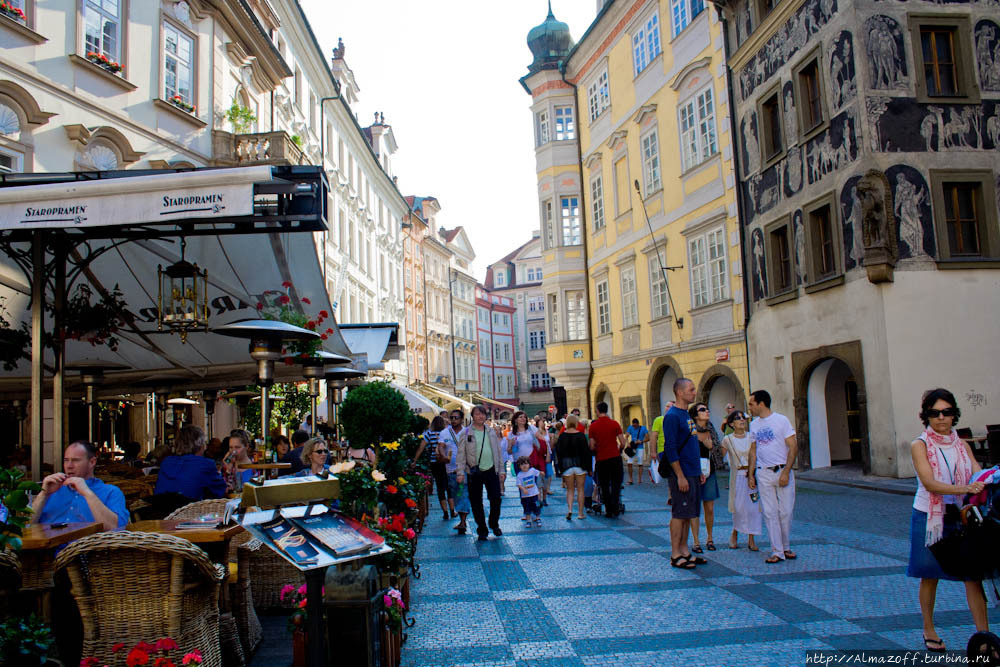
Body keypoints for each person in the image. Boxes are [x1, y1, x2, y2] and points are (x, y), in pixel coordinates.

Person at [907, 388, 987, 652]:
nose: (941, 418)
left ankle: (984, 637)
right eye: (934, 413)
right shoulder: (920, 445)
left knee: (973, 576)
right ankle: (928, 629)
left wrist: (986, 479)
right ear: (926, 417)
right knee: (930, 575)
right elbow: (930, 483)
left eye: (947, 412)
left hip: (961, 516)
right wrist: (966, 489)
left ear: (954, 414)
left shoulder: (962, 445)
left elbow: (978, 475)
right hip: (930, 517)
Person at [747, 389, 798, 564]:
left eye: (751, 404)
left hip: (782, 470)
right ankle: (777, 551)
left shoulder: (781, 421)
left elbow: (793, 447)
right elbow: (753, 451)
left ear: (761, 403)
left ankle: (785, 546)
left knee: (785, 512)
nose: (750, 408)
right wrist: (751, 473)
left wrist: (786, 472)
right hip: (764, 472)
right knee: (770, 513)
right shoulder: (753, 424)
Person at [32, 441, 129, 531]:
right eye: (66, 460)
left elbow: (115, 529)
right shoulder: (53, 490)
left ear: (92, 462)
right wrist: (44, 494)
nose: (69, 466)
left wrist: (87, 493)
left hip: (85, 548)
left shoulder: (110, 492)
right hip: (44, 547)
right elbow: (26, 525)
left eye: (75, 460)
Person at [660, 379, 706, 569]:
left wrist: (698, 471)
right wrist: (680, 475)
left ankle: (685, 550)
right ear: (679, 392)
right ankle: (675, 553)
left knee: (688, 514)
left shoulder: (685, 414)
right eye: (691, 389)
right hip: (682, 473)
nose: (694, 393)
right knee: (679, 513)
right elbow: (671, 448)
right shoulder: (672, 416)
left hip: (693, 472)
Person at [456, 405, 505, 541]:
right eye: (477, 414)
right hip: (474, 471)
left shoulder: (491, 431)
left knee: (496, 498)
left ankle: (493, 523)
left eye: (483, 414)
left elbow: (498, 452)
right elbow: (461, 455)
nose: (480, 416)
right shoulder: (465, 433)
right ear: (473, 416)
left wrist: (501, 469)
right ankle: (482, 528)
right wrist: (460, 472)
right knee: (476, 501)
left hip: (491, 469)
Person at [721, 411, 761, 551]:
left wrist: (751, 476)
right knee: (738, 507)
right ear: (731, 424)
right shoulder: (727, 439)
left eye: (743, 418)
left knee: (753, 507)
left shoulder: (751, 437)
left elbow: (753, 456)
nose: (742, 420)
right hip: (736, 476)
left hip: (751, 476)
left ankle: (751, 538)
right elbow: (719, 457)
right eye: (738, 419)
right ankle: (735, 532)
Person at [689, 403, 725, 553]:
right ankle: (696, 541)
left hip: (709, 471)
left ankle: (710, 538)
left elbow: (718, 451)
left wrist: (711, 447)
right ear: (696, 415)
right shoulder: (690, 430)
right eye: (702, 410)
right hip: (693, 472)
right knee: (694, 508)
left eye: (707, 409)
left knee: (709, 508)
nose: (707, 411)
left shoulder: (711, 429)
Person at [154, 425, 226, 500]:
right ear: (200, 445)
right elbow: (220, 490)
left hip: (162, 509)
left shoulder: (167, 462)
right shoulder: (205, 464)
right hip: (191, 510)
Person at [589, 402, 627, 518]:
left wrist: (597, 449)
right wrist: (619, 450)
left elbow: (591, 445)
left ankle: (609, 509)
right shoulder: (614, 424)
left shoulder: (593, 426)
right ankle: (616, 507)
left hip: (602, 459)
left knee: (604, 484)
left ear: (597, 411)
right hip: (615, 457)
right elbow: (623, 442)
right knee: (616, 483)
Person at [439, 410, 471, 532]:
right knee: (456, 494)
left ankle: (463, 521)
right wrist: (444, 456)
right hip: (451, 470)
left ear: (462, 419)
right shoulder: (445, 432)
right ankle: (462, 518)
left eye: (456, 418)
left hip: (464, 469)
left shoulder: (467, 432)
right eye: (451, 418)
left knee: (462, 493)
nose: (453, 420)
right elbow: (441, 446)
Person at [415, 416, 451, 520]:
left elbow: (421, 448)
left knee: (440, 486)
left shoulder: (429, 434)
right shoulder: (446, 434)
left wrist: (415, 460)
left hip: (435, 462)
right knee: (448, 486)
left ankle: (445, 511)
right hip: (446, 462)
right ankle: (452, 509)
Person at [555, 414, 590, 520]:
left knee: (570, 490)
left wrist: (560, 468)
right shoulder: (581, 435)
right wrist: (589, 468)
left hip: (566, 465)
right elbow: (586, 452)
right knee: (580, 489)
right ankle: (580, 513)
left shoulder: (562, 436)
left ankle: (570, 510)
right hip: (580, 464)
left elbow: (558, 453)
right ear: (576, 423)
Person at [515, 456, 543, 527]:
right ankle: (528, 520)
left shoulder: (532, 470)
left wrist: (541, 473)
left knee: (536, 506)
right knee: (527, 508)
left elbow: (539, 473)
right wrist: (523, 489)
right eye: (522, 464)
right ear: (519, 466)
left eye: (526, 464)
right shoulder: (520, 475)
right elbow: (518, 484)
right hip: (525, 496)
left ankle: (538, 518)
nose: (524, 466)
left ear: (529, 464)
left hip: (534, 494)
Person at [625, 418, 648, 485]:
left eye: (635, 426)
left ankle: (640, 479)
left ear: (638, 424)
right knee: (629, 463)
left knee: (640, 464)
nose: (634, 427)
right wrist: (628, 443)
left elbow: (648, 438)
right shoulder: (630, 427)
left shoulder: (643, 428)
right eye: (633, 425)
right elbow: (626, 436)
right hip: (632, 447)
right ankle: (630, 479)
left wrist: (641, 441)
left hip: (640, 447)